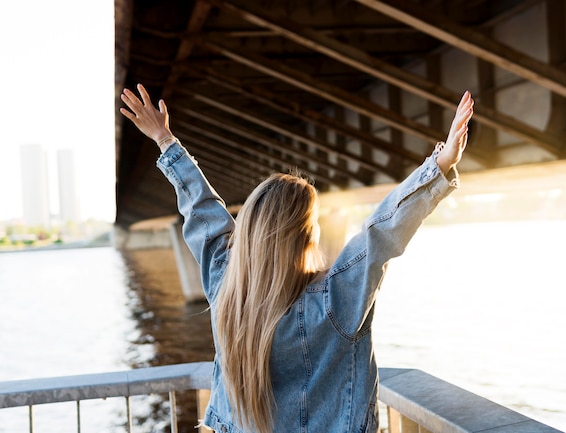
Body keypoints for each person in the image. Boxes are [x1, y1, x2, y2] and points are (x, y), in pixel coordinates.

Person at [120, 84, 474, 433]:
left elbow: (202, 209)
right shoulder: (337, 301)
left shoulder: (224, 284)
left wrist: (164, 139)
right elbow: (381, 232)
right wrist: (441, 164)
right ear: (306, 235)